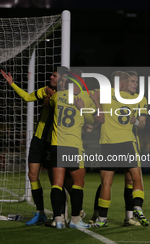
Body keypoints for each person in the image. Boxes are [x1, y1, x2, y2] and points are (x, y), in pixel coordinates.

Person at [1, 67, 66, 225]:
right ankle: (40, 212)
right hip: (38, 139)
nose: (51, 77)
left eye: (55, 76)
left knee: (56, 181)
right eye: (52, 74)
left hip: (55, 142)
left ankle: (61, 213)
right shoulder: (46, 90)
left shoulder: (67, 97)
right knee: (32, 175)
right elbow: (28, 97)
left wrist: (51, 101)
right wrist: (12, 84)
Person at [90, 71, 148, 226]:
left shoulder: (106, 94)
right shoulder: (140, 100)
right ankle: (137, 207)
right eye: (132, 81)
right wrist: (135, 122)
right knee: (136, 178)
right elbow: (142, 123)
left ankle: (102, 218)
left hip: (109, 143)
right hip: (128, 142)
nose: (135, 84)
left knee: (106, 182)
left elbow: (95, 105)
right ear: (125, 83)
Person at [48, 68, 104, 229]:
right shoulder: (85, 99)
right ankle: (74, 220)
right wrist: (93, 103)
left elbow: (49, 103)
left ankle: (58, 220)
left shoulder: (57, 96)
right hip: (74, 146)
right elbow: (101, 118)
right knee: (78, 184)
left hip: (57, 144)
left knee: (57, 184)